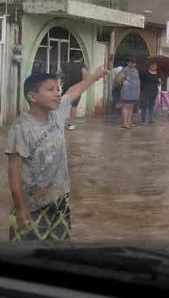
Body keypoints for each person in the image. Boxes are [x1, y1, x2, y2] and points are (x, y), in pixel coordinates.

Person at [6, 66, 106, 242]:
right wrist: (20, 207)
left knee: (59, 247)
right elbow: (14, 170)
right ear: (33, 97)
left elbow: (72, 92)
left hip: (59, 199)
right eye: (50, 90)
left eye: (57, 89)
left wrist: (94, 77)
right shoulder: (21, 128)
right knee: (27, 251)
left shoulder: (56, 114)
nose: (57, 93)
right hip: (32, 203)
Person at [57, 53, 86, 131]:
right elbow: (84, 77)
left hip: (66, 87)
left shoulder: (65, 64)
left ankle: (59, 123)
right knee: (74, 106)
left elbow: (58, 73)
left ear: (72, 58)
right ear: (81, 58)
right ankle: (71, 124)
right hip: (76, 89)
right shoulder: (82, 66)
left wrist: (63, 79)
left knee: (62, 105)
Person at [115, 59, 140, 129]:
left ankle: (129, 122)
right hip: (127, 92)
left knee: (131, 107)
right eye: (131, 62)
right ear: (128, 63)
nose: (132, 64)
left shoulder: (136, 70)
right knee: (126, 106)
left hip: (134, 92)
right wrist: (123, 81)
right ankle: (125, 123)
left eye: (134, 63)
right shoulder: (125, 70)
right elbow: (118, 80)